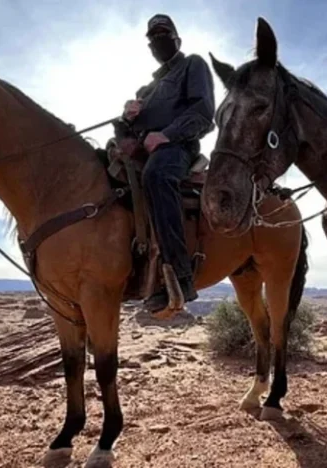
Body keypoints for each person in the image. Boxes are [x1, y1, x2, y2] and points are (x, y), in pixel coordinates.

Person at [121, 13, 216, 312]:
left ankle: (180, 277)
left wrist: (166, 135)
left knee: (157, 176)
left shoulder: (193, 65)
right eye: (152, 37)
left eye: (163, 34)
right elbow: (128, 131)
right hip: (141, 148)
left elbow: (204, 112)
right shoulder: (145, 90)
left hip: (178, 147)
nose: (157, 40)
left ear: (177, 38)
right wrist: (126, 118)